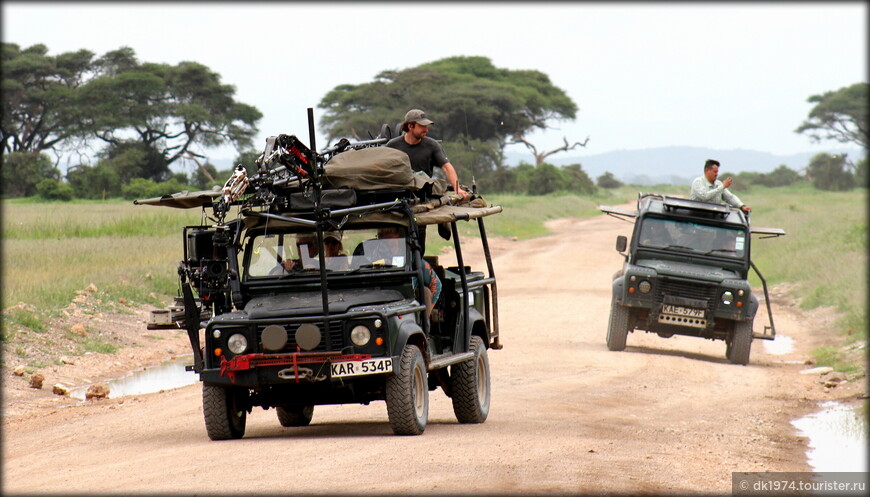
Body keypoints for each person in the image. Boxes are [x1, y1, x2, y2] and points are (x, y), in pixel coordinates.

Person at [386, 109, 467, 200]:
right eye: (422, 126)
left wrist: (457, 188)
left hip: (423, 193)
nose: (426, 130)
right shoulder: (393, 145)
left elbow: (446, 167)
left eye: (427, 126)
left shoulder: (432, 145)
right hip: (399, 192)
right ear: (410, 126)